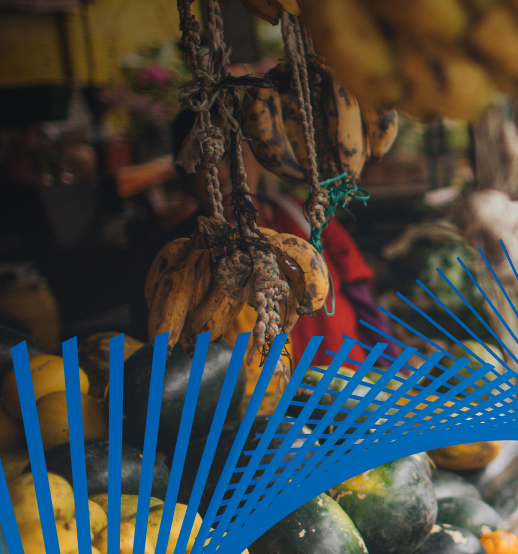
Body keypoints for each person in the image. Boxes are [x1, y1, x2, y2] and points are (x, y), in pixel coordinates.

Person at [130, 110, 391, 365]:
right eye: (201, 164)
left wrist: (396, 362)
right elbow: (156, 349)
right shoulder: (173, 260)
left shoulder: (307, 216)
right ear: (182, 175)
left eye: (231, 155)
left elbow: (361, 298)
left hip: (343, 385)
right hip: (254, 404)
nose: (220, 173)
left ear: (258, 158)